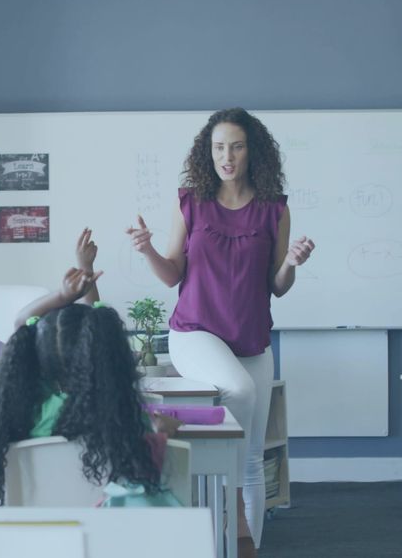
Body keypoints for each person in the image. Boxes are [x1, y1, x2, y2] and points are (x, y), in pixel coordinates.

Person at [125, 107, 314, 554]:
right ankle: (220, 510)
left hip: (251, 340)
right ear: (207, 153)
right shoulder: (190, 201)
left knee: (251, 459)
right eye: (218, 147)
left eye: (236, 146)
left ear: (253, 152)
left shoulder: (275, 209)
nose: (226, 156)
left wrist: (291, 263)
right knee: (240, 390)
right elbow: (173, 275)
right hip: (195, 332)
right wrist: (147, 248)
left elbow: (277, 287)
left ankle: (245, 549)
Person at [0, 263, 183, 507]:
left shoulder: (24, 414)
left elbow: (23, 324)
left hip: (35, 535)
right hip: (106, 537)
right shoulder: (120, 418)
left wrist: (62, 296)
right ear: (110, 357)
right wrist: (162, 433)